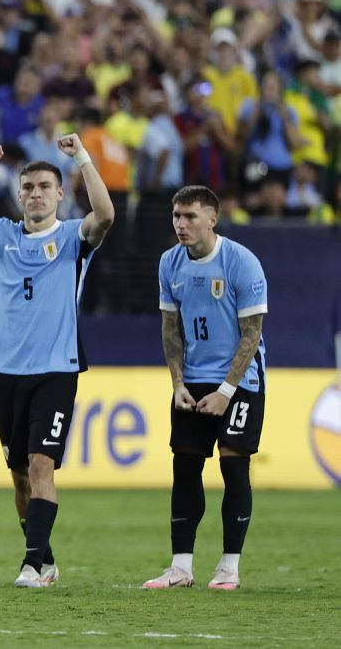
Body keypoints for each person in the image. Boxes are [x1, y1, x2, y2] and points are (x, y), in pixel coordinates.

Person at [0, 135, 115, 588]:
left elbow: (106, 214)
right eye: (28, 187)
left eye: (44, 186)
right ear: (19, 195)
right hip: (7, 370)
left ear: (60, 194)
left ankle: (32, 564)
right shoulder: (1, 234)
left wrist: (82, 158)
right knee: (18, 475)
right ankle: (45, 557)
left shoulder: (74, 237)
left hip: (57, 368)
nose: (35, 193)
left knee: (40, 465)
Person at [142, 186, 267, 592]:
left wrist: (227, 391)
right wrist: (177, 383)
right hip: (193, 378)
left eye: (190, 216)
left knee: (233, 465)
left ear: (212, 218)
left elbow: (252, 334)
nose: (181, 224)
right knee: (185, 467)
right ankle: (180, 568)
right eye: (176, 216)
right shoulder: (169, 263)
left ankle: (229, 567)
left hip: (240, 379)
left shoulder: (241, 262)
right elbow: (170, 327)